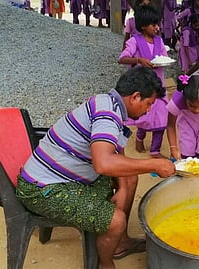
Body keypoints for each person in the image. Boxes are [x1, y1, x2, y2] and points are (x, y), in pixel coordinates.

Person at [16, 67, 176, 269]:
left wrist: (125, 188)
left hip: (65, 174)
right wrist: (154, 164)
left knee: (130, 178)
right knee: (116, 220)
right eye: (149, 104)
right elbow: (103, 164)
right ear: (135, 97)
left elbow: (117, 153)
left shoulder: (109, 103)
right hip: (42, 189)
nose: (148, 110)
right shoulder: (108, 114)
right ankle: (105, 263)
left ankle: (121, 242)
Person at [118, 5, 170, 158]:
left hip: (159, 86)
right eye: (153, 25)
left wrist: (163, 62)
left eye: (157, 24)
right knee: (144, 116)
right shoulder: (135, 41)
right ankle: (140, 137)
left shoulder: (159, 42)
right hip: (143, 87)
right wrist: (138, 59)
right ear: (142, 26)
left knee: (162, 118)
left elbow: (165, 57)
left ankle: (155, 150)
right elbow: (122, 58)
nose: (157, 27)